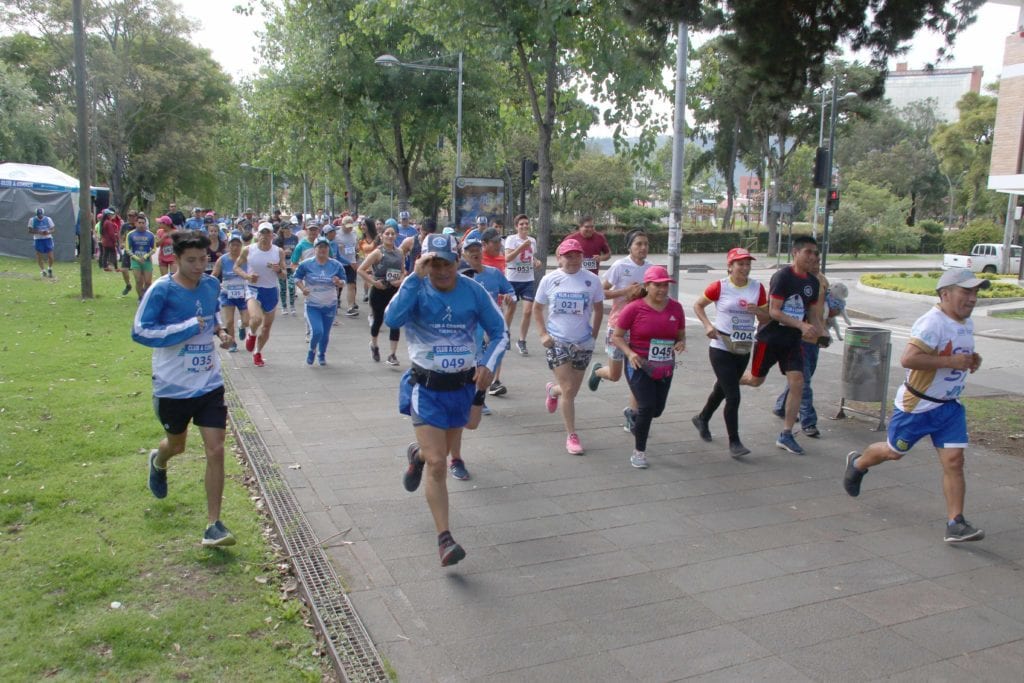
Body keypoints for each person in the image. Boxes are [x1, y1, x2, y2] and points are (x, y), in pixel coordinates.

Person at [385, 234, 507, 566]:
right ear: (424, 263)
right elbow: (391, 319)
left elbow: (500, 331)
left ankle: (417, 454)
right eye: (432, 263)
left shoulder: (474, 291)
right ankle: (445, 539)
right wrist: (414, 277)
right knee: (439, 463)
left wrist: (488, 363)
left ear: (457, 262)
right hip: (426, 388)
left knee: (452, 441)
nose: (440, 271)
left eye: (446, 263)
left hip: (462, 388)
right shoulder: (415, 289)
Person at [844, 269, 988, 543]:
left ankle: (955, 523)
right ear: (945, 294)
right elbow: (908, 359)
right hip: (918, 406)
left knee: (955, 462)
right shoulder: (932, 323)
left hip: (949, 407)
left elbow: (956, 355)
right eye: (966, 292)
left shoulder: (966, 322)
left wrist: (971, 360)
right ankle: (858, 463)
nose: (972, 298)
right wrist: (950, 363)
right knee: (893, 452)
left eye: (975, 293)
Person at [132, 230, 237, 547]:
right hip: (173, 386)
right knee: (176, 446)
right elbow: (140, 332)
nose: (198, 266)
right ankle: (159, 460)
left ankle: (213, 525)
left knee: (216, 449)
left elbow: (212, 315)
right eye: (191, 260)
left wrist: (221, 333)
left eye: (203, 259)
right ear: (175, 259)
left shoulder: (211, 284)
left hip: (208, 382)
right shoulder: (161, 291)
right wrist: (188, 328)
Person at [739, 236, 824, 456]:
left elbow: (813, 314)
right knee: (755, 380)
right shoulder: (782, 277)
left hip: (793, 341)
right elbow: (774, 311)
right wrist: (801, 325)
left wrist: (818, 332)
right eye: (808, 252)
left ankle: (786, 434)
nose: (812, 257)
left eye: (815, 253)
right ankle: (728, 379)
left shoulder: (813, 283)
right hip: (771, 338)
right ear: (795, 253)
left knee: (798, 382)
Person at [691, 248, 769, 457]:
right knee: (733, 395)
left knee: (722, 389)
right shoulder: (720, 286)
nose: (745, 268)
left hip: (743, 347)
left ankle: (702, 418)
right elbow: (698, 305)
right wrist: (708, 325)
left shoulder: (757, 287)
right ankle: (734, 442)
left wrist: (759, 311)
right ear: (730, 266)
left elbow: (766, 318)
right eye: (740, 264)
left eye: (747, 264)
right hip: (721, 346)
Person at [533, 238, 604, 455]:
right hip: (558, 341)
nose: (573, 260)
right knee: (569, 391)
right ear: (560, 258)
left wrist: (593, 334)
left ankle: (552, 391)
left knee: (570, 390)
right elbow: (537, 309)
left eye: (577, 255)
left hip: (583, 342)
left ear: (583, 257)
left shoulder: (592, 280)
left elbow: (599, 309)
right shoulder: (550, 280)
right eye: (568, 256)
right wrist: (543, 334)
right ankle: (572, 435)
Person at [611, 266, 686, 469]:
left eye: (665, 286)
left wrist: (681, 343)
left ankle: (633, 416)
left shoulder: (676, 308)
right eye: (657, 285)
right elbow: (616, 336)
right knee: (646, 406)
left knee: (656, 410)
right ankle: (639, 452)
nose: (662, 290)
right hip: (638, 364)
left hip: (664, 366)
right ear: (647, 285)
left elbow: (680, 335)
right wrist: (630, 353)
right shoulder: (634, 308)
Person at [587, 230, 653, 431]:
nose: (643, 248)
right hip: (618, 326)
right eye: (638, 244)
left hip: (642, 328)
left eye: (646, 244)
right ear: (630, 247)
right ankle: (598, 371)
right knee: (615, 375)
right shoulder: (620, 266)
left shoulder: (652, 270)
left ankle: (632, 414)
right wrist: (626, 292)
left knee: (638, 373)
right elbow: (601, 292)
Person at [772, 258, 830, 438]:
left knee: (802, 378)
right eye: (811, 259)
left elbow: (821, 310)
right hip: (798, 337)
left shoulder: (821, 281)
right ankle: (808, 421)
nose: (815, 264)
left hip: (815, 337)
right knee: (803, 381)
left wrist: (823, 330)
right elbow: (778, 309)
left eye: (818, 260)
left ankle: (782, 405)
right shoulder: (789, 278)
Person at [462, 237, 514, 413]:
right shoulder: (461, 277)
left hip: (492, 326)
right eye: (470, 250)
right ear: (464, 255)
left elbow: (510, 291)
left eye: (477, 249)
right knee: (476, 362)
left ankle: (480, 393)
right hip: (471, 327)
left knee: (490, 362)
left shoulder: (494, 273)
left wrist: (509, 297)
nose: (475, 253)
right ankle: (478, 398)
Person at [234, 222, 286, 367]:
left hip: (270, 290)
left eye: (267, 233)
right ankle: (251, 333)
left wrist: (278, 270)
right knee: (256, 318)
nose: (264, 236)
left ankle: (257, 352)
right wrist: (247, 276)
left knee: (266, 327)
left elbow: (284, 275)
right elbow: (236, 267)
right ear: (258, 234)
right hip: (253, 288)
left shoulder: (278, 251)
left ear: (272, 235)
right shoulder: (248, 250)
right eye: (262, 233)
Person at [358, 225, 407, 366]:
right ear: (381, 236)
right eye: (387, 234)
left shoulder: (400, 252)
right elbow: (361, 270)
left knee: (395, 322)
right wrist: (374, 282)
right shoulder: (377, 253)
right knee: (378, 321)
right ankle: (374, 344)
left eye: (393, 234)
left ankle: (392, 354)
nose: (390, 236)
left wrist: (401, 280)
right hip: (379, 291)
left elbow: (403, 270)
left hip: (394, 291)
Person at [295, 237, 346, 366]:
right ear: (315, 249)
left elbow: (343, 282)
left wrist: (338, 282)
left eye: (325, 247)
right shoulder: (306, 264)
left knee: (325, 333)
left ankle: (321, 354)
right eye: (319, 247)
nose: (322, 250)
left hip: (330, 305)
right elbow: (296, 278)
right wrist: (303, 288)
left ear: (328, 249)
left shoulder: (336, 265)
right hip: (313, 305)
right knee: (318, 331)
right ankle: (312, 350)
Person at [503, 214, 542, 356]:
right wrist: (520, 247)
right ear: (516, 226)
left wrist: (536, 262)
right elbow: (507, 258)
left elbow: (531, 257)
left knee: (527, 311)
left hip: (527, 280)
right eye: (521, 224)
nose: (525, 226)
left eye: (526, 223)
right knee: (511, 309)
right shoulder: (511, 240)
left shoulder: (532, 240)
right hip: (512, 279)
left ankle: (522, 340)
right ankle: (505, 334)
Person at [211, 232, 249, 352]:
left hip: (244, 294)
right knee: (229, 321)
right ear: (228, 245)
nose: (235, 247)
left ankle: (241, 326)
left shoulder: (246, 259)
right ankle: (232, 343)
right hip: (227, 294)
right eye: (232, 244)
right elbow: (214, 274)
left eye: (238, 245)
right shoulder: (222, 259)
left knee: (247, 320)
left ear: (241, 246)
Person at [125, 212, 156, 300]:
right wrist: (136, 258)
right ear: (135, 223)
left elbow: (154, 249)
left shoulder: (150, 235)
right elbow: (127, 249)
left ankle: (146, 296)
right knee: (138, 280)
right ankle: (140, 297)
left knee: (148, 282)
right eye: (139, 223)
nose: (141, 225)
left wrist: (146, 256)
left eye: (143, 223)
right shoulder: (130, 234)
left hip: (147, 261)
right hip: (135, 261)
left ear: (146, 224)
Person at [335, 216, 361, 316]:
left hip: (352, 262)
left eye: (351, 226)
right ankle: (336, 300)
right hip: (340, 263)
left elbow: (355, 247)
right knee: (338, 285)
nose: (349, 228)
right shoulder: (336, 234)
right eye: (347, 226)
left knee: (351, 284)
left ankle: (350, 306)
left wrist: (356, 253)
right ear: (342, 225)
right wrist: (338, 247)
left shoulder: (354, 233)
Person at [274, 221, 299, 315]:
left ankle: (292, 306)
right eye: (288, 228)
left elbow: (297, 251)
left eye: (290, 228)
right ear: (283, 229)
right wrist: (284, 252)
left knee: (292, 286)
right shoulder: (278, 240)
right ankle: (284, 306)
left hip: (292, 265)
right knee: (283, 287)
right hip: (282, 266)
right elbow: (274, 254)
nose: (290, 229)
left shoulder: (295, 238)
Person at [28, 208, 56, 278]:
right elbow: (29, 230)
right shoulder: (32, 220)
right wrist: (38, 232)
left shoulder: (48, 219)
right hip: (38, 239)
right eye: (38, 215)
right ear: (36, 214)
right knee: (39, 256)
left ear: (43, 214)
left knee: (50, 256)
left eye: (41, 214)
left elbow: (53, 229)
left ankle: (49, 268)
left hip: (48, 239)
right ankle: (43, 270)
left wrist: (48, 232)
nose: (40, 216)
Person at [358, 217, 379, 302]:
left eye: (364, 225)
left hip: (378, 265)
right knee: (368, 282)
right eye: (361, 225)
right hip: (367, 265)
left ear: (369, 226)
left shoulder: (378, 238)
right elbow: (365, 250)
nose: (362, 227)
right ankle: (367, 294)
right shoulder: (361, 240)